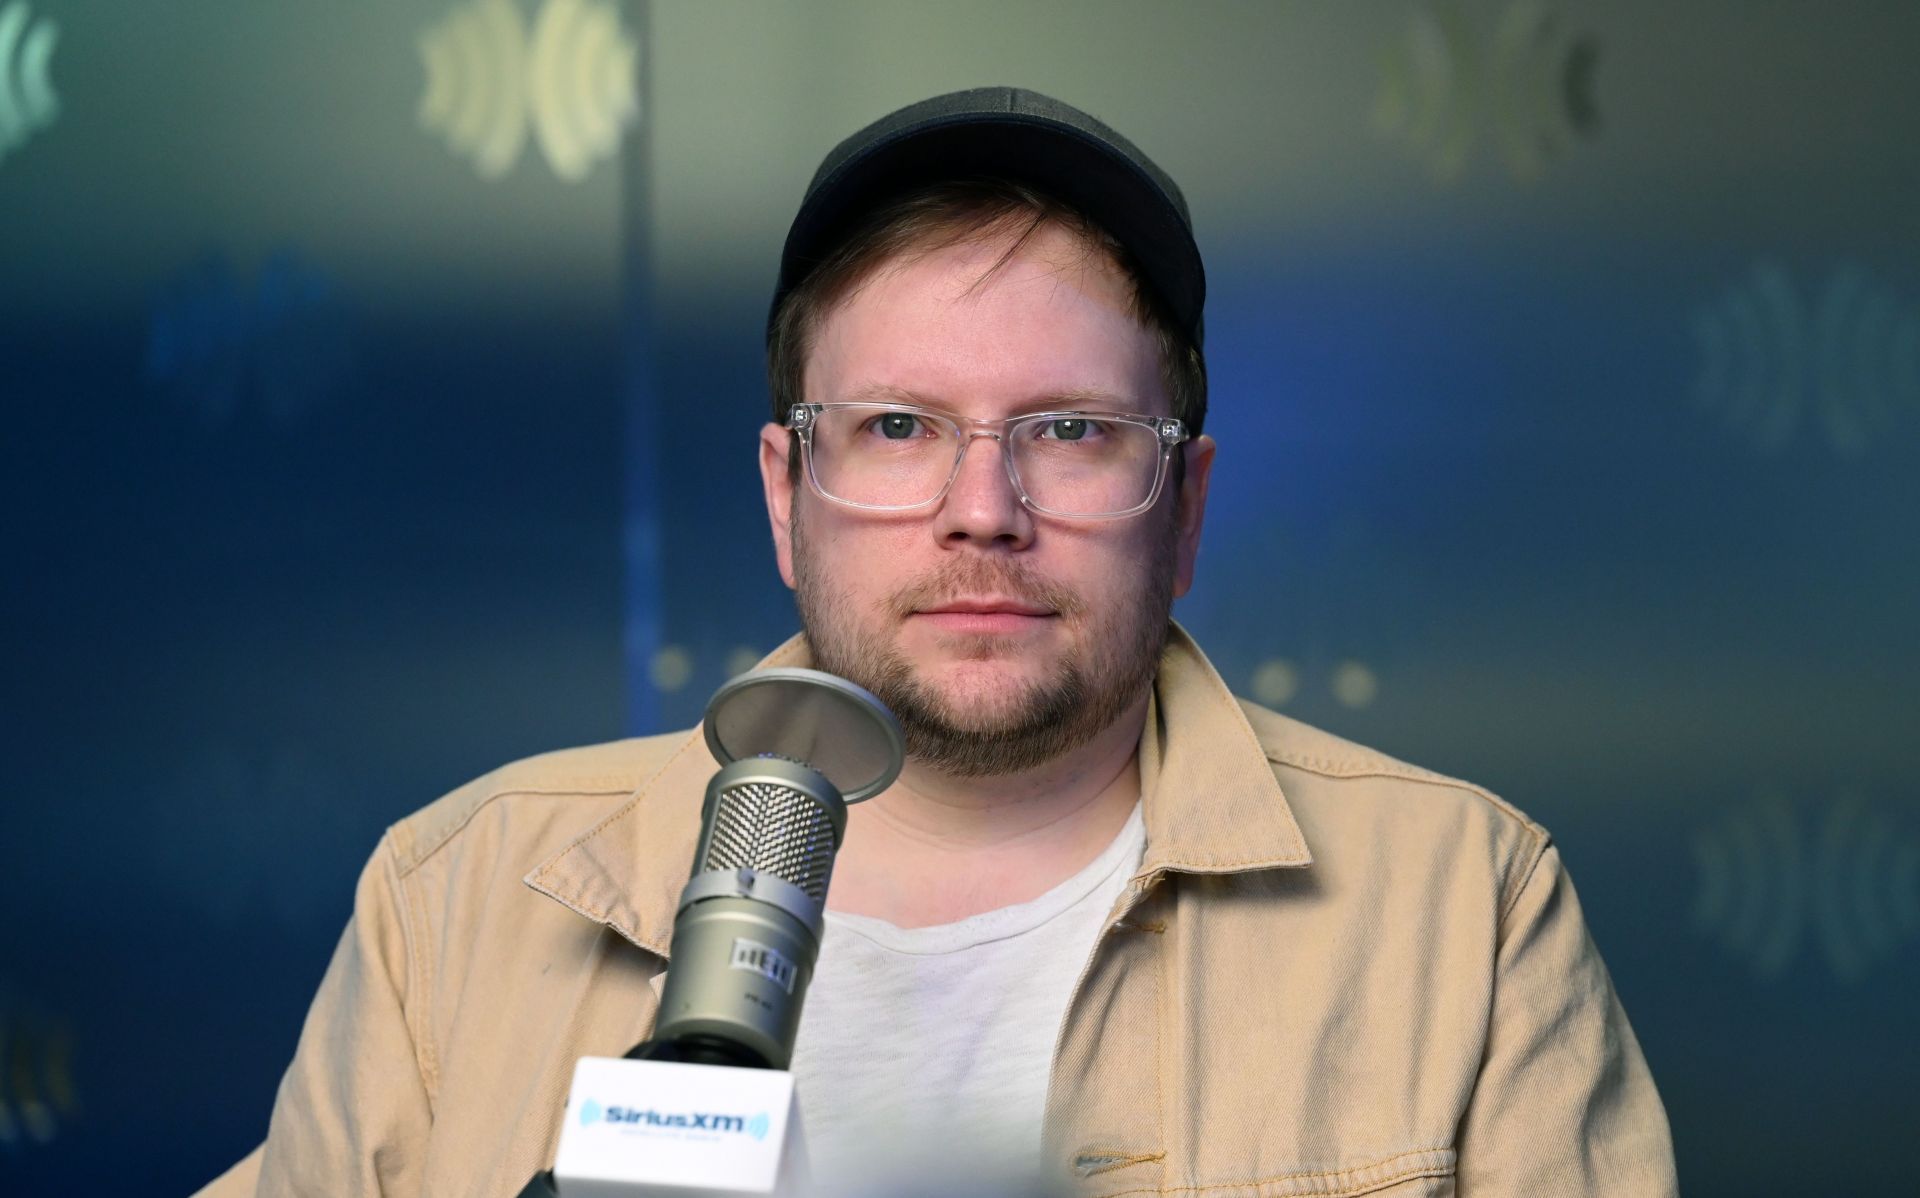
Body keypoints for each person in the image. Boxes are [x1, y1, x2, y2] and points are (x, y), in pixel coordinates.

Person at [200, 88, 1677, 1197]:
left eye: (1072, 431)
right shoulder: (455, 902)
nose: (984, 509)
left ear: (1185, 507)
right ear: (786, 495)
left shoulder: (1464, 909)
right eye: (899, 426)